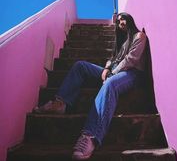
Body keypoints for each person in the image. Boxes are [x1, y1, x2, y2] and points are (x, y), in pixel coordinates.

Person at [34, 12, 147, 160]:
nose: (120, 23)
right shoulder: (122, 41)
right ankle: (60, 103)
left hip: (132, 74)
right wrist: (107, 68)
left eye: (123, 19)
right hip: (114, 71)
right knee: (80, 66)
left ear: (130, 20)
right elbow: (112, 58)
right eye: (118, 21)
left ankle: (91, 135)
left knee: (110, 84)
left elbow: (131, 60)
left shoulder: (139, 36)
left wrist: (111, 74)